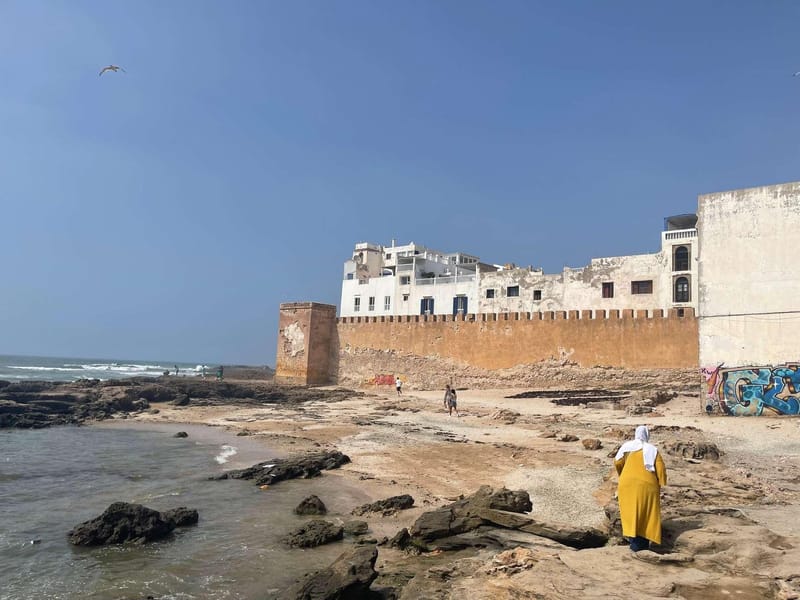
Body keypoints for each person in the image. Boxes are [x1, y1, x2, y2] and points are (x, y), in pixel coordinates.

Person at [614, 425, 667, 552]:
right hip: (647, 486)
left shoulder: (626, 447)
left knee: (630, 513)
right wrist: (661, 482)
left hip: (627, 485)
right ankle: (642, 546)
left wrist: (623, 474)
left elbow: (617, 462)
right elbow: (661, 470)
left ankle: (633, 543)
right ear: (647, 435)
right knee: (646, 515)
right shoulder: (652, 450)